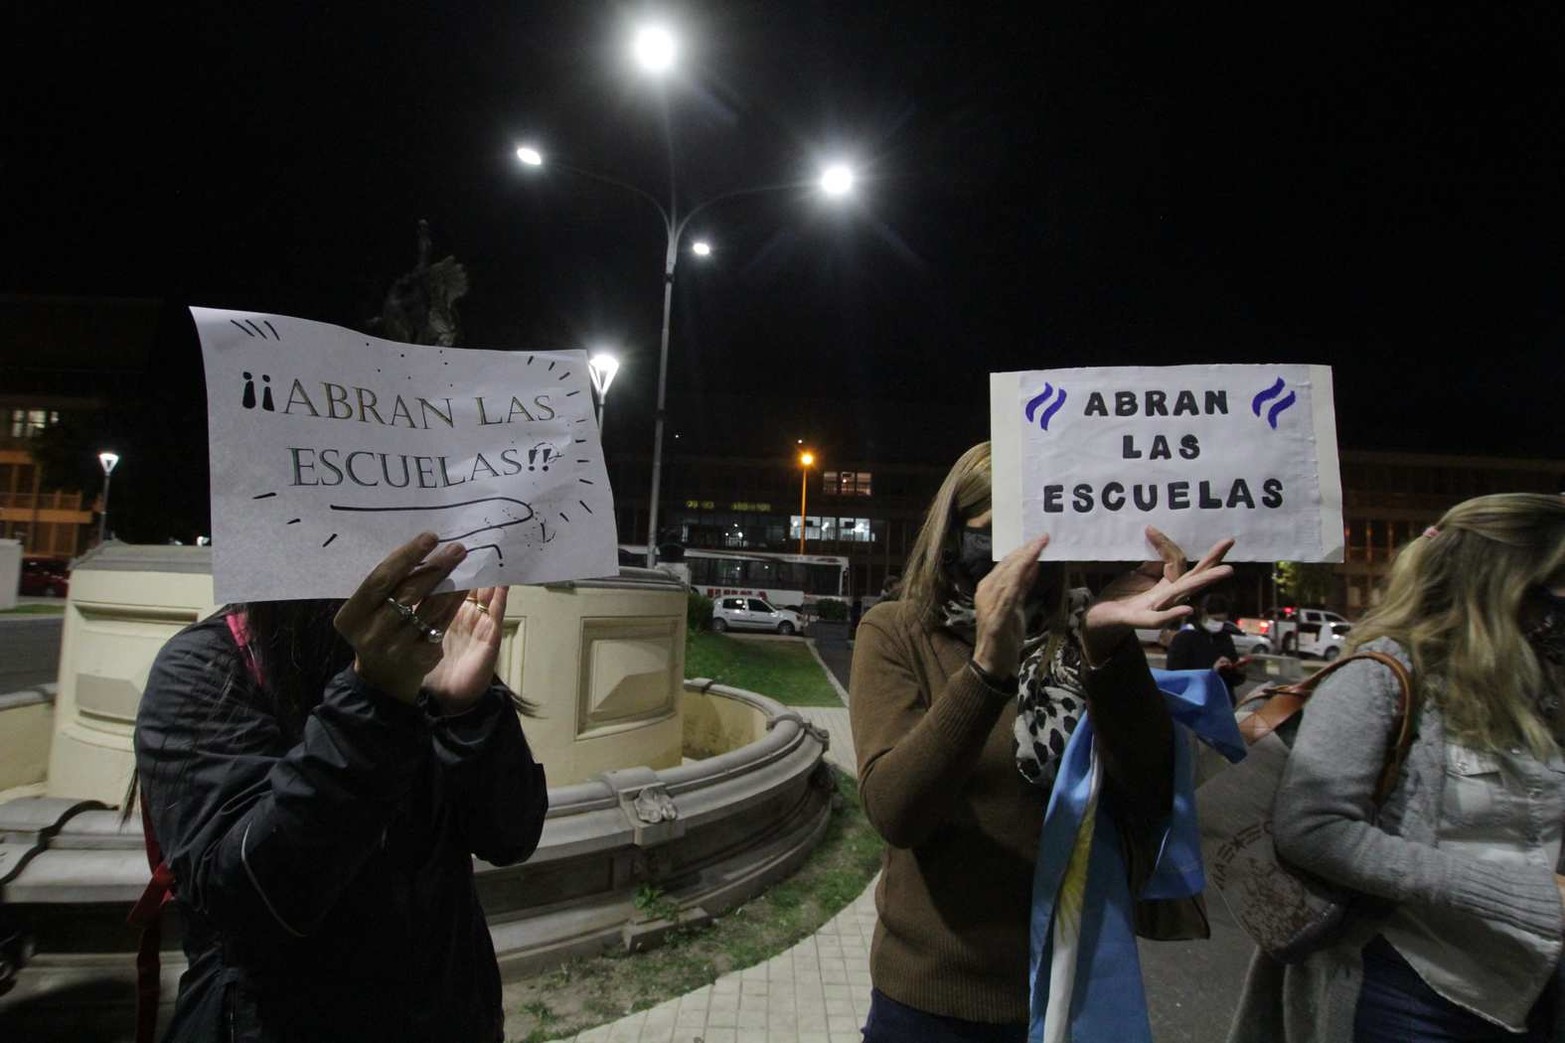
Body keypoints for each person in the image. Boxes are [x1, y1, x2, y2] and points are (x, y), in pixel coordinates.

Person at [849, 442, 1235, 1041]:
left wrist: (1105, 646)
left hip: (1068, 992)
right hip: (932, 1004)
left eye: (1039, 537)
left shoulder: (1084, 631)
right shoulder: (899, 633)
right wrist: (985, 672)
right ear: (952, 535)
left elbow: (1151, 793)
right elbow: (895, 812)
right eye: (998, 534)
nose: (1021, 560)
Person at [134, 532, 548, 1042]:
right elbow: (251, 900)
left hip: (449, 1014)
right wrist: (372, 700)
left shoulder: (424, 647)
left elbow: (510, 836)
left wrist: (469, 708)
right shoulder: (208, 666)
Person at [1228, 493, 1565, 1043]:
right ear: (1509, 582)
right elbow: (1315, 832)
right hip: (1408, 989)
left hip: (1525, 987)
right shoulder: (1382, 675)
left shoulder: (1542, 684)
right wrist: (1521, 895)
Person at [1164, 594, 1245, 698]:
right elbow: (1175, 677)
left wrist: (1238, 671)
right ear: (1203, 614)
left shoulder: (1225, 638)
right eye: (1216, 620)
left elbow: (1233, 680)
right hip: (1196, 701)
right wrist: (1211, 672)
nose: (1219, 624)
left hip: (1222, 701)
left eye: (1223, 621)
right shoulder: (1185, 638)